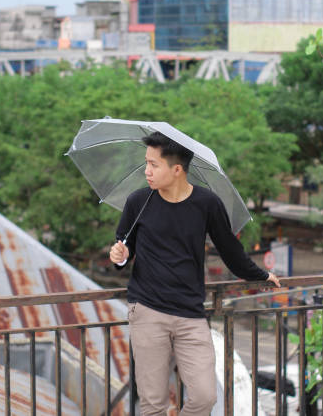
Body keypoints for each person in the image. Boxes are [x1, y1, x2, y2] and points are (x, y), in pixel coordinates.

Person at [110, 132, 280, 416]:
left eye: (153, 164)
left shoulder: (207, 204)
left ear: (177, 169)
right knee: (153, 404)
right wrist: (119, 256)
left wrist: (260, 275)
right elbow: (122, 249)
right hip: (147, 311)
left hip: (190, 313)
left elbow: (230, 250)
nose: (146, 171)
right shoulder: (138, 202)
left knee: (204, 397)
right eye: (146, 163)